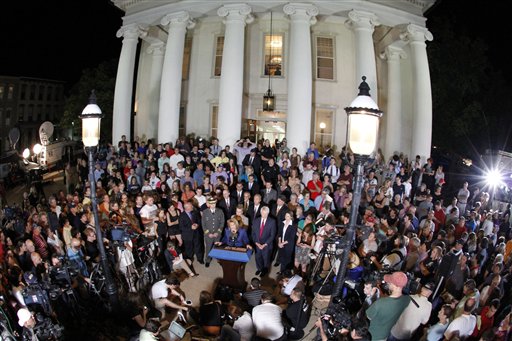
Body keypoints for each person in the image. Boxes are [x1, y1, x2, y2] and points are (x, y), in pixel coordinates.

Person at [366, 271, 410, 341]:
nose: (388, 283)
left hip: (372, 336)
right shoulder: (407, 300)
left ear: (394, 285)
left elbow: (368, 316)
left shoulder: (379, 304)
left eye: (390, 282)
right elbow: (390, 301)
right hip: (384, 336)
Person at [251, 206, 276, 277]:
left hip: (267, 245)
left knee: (266, 259)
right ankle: (259, 268)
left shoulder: (272, 222)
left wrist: (264, 244)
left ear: (268, 213)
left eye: (265, 213)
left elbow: (272, 235)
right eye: (262, 213)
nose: (264, 215)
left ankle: (264, 271)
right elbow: (253, 233)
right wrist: (256, 243)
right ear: (260, 212)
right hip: (257, 244)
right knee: (258, 257)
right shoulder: (256, 220)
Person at [202, 197, 225, 267]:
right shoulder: (205, 212)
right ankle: (207, 260)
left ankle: (219, 259)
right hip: (208, 235)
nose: (213, 205)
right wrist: (208, 233)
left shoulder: (220, 211)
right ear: (209, 204)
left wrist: (218, 232)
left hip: (217, 234)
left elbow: (222, 222)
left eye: (214, 203)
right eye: (211, 204)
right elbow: (203, 224)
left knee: (217, 248)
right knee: (208, 248)